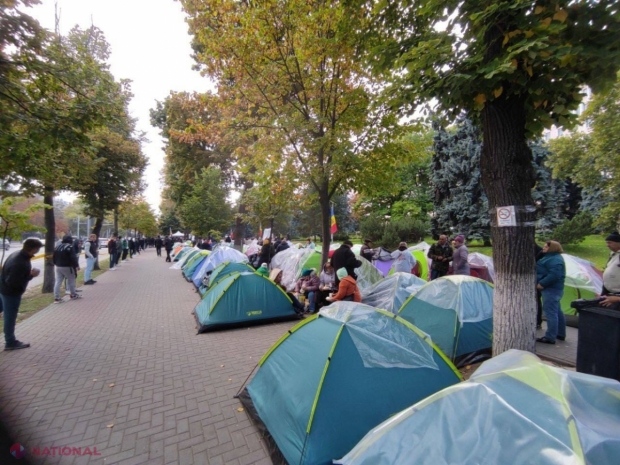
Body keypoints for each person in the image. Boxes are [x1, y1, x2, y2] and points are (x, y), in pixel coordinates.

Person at [0, 238, 42, 350]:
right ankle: (10, 341)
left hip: (3, 289)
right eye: (37, 249)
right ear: (34, 249)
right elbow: (13, 282)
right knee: (10, 317)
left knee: (7, 314)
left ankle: (10, 340)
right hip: (11, 293)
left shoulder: (17, 255)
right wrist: (31, 275)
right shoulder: (20, 262)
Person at [536, 241, 567, 344]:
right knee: (557, 311)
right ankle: (560, 333)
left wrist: (542, 283)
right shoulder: (551, 257)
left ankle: (550, 337)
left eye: (546, 247)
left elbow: (554, 275)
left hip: (551, 289)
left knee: (550, 313)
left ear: (552, 248)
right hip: (554, 289)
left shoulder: (554, 259)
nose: (543, 248)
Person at [53, 235, 81, 303]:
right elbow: (73, 257)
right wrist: (76, 265)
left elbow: (54, 256)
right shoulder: (70, 247)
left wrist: (55, 263)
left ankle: (57, 297)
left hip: (58, 266)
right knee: (71, 280)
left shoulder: (58, 246)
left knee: (58, 281)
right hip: (68, 266)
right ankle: (73, 294)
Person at [600, 231, 620, 309]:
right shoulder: (613, 255)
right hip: (610, 294)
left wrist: (617, 299)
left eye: (610, 243)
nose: (607, 245)